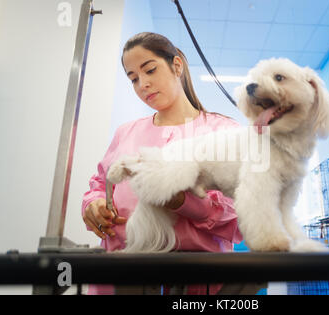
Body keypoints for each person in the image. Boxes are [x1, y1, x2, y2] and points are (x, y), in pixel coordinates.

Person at [82, 32, 262, 295]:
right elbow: (100, 183)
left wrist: (185, 203)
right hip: (122, 275)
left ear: (176, 66)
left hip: (198, 280)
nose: (142, 84)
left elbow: (244, 214)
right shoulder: (126, 132)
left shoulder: (224, 132)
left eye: (150, 70)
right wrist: (93, 205)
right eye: (133, 78)